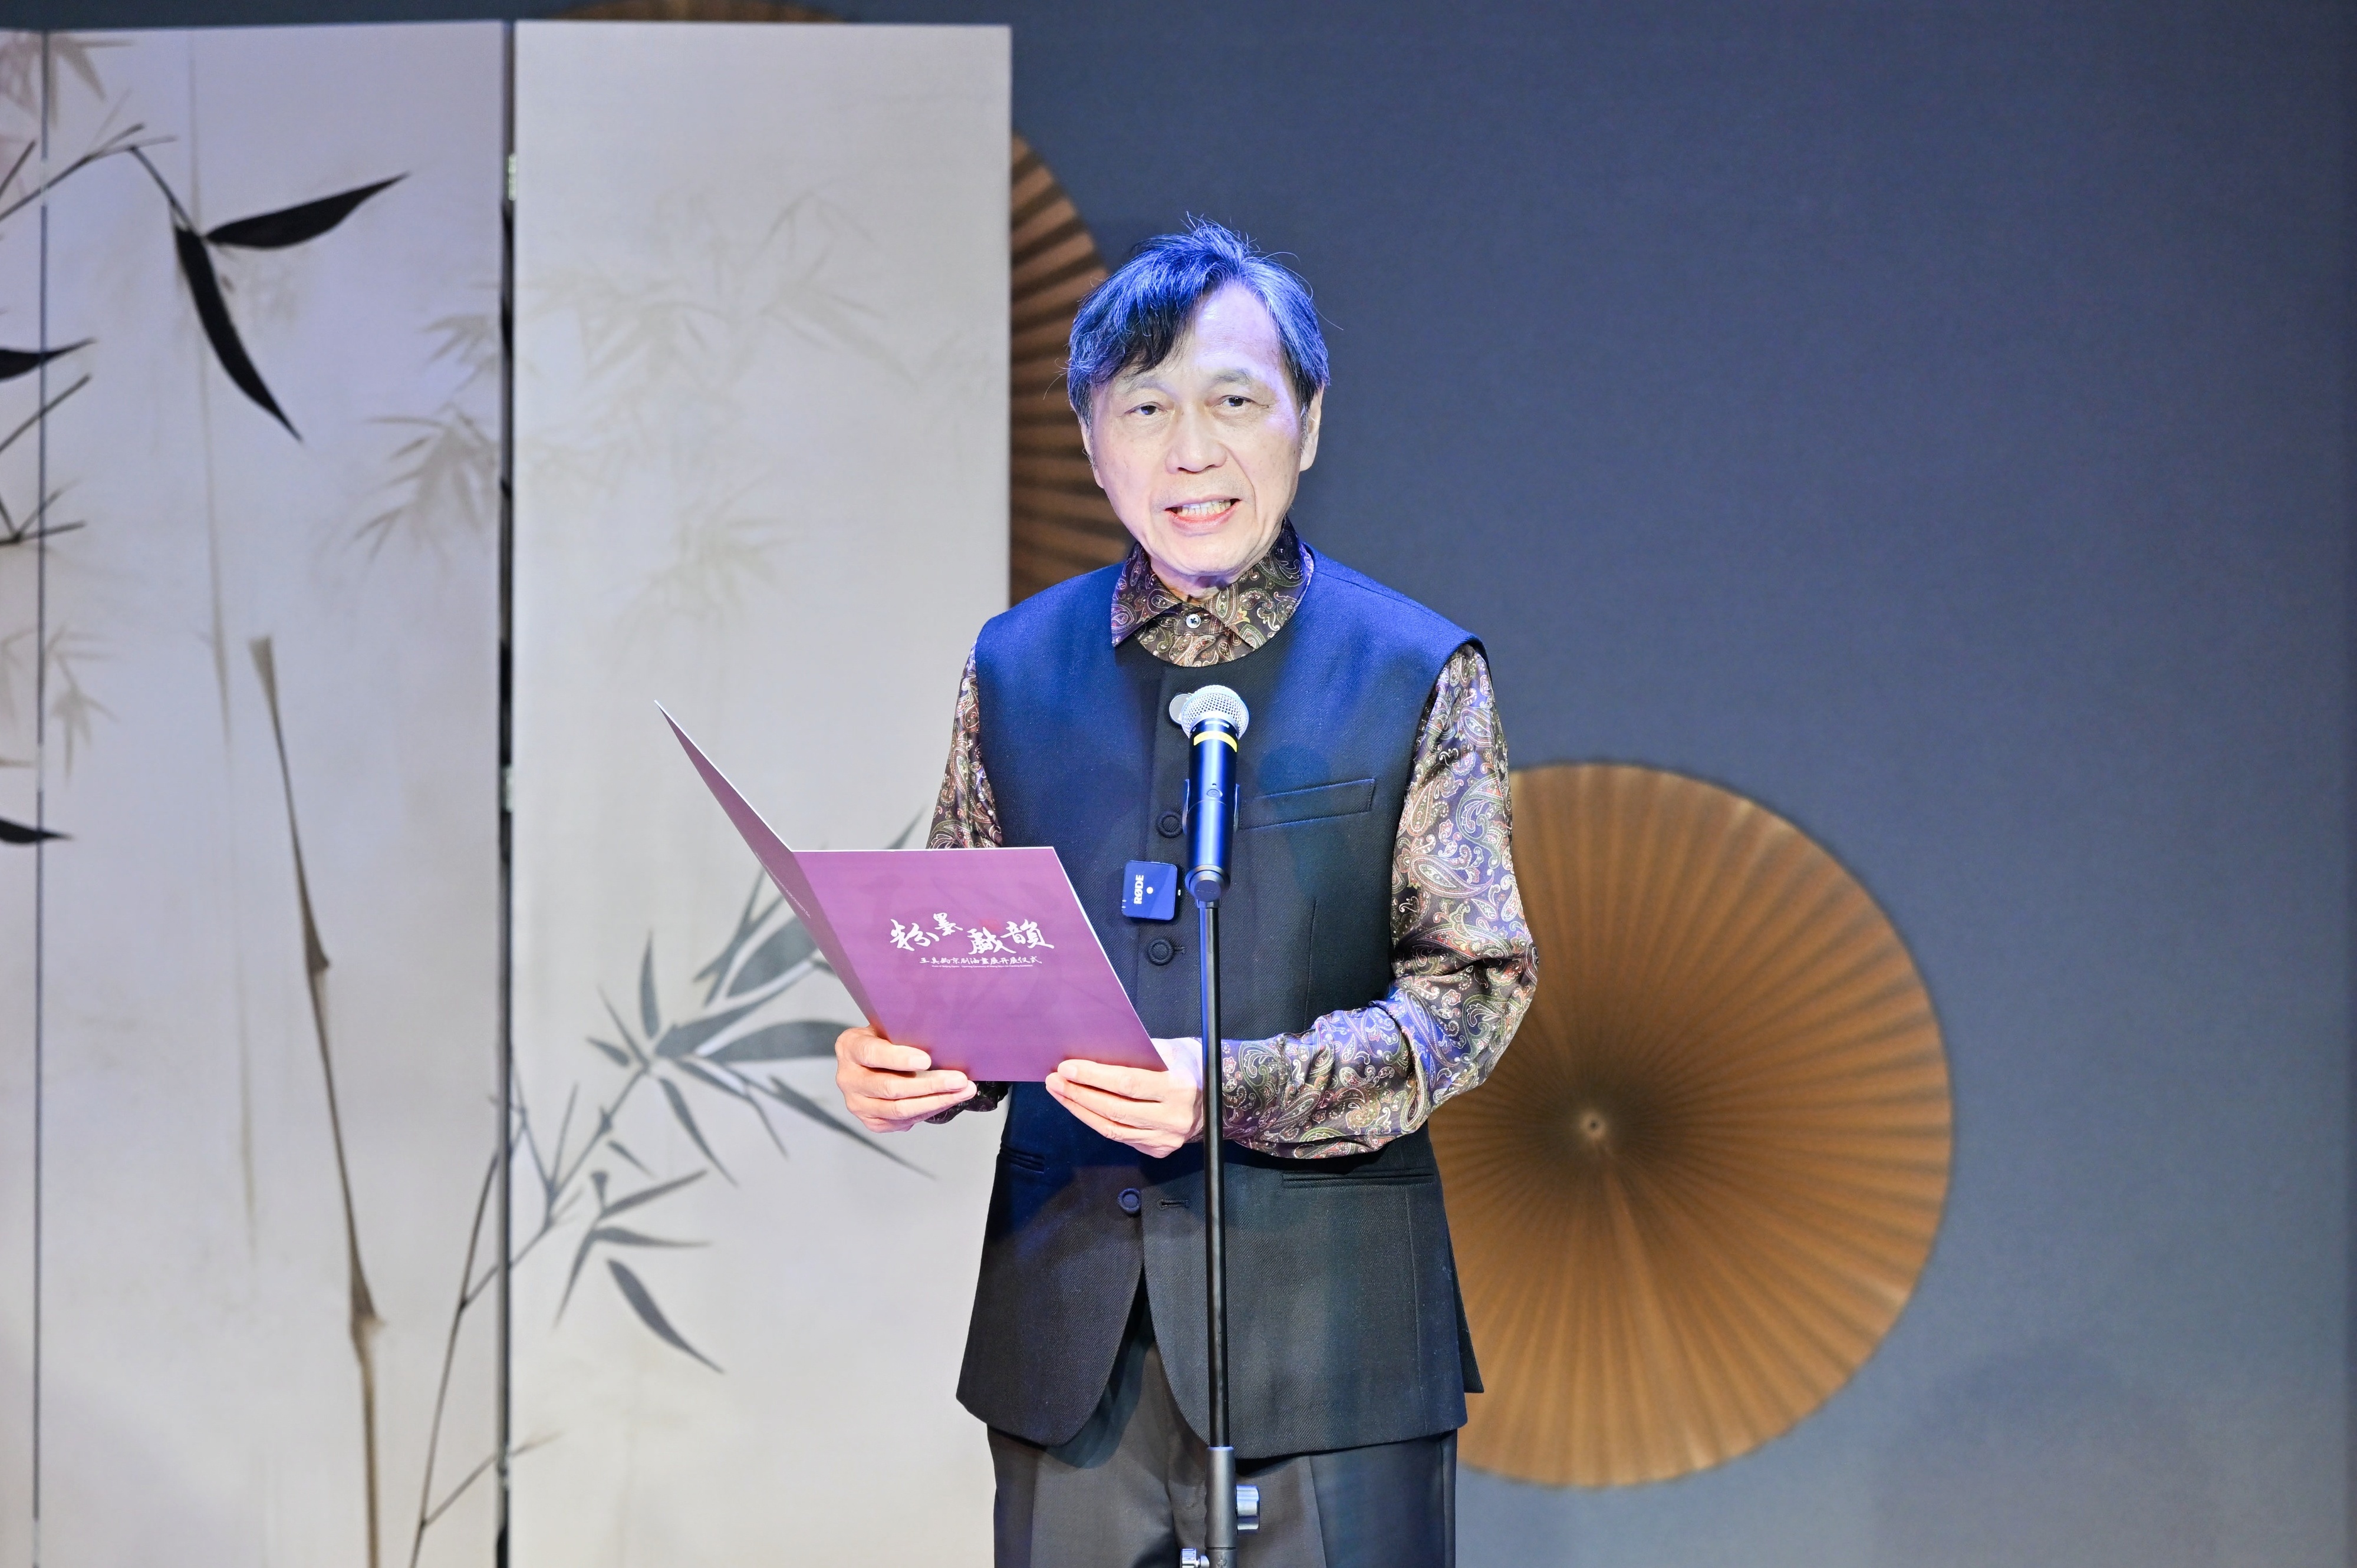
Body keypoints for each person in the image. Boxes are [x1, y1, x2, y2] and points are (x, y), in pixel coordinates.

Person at [833, 220, 1535, 1568]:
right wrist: (911, 1054)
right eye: (1144, 409)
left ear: (1308, 423)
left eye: (1233, 402)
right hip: (1069, 1346)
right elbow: (964, 960)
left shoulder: (1412, 668)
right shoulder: (1013, 666)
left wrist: (1230, 1086)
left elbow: (1469, 990)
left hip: (1332, 1347)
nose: (1190, 451)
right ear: (1093, 444)